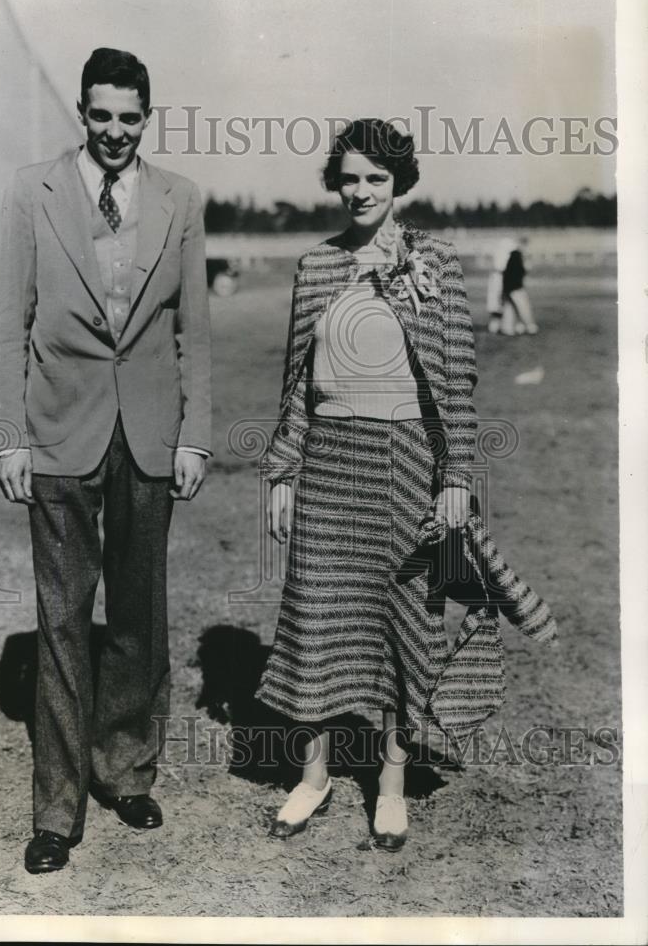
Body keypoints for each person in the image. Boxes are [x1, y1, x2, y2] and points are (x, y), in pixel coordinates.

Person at [0, 48, 211, 874]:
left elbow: (195, 329)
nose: (114, 132)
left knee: (138, 613)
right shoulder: (29, 190)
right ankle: (56, 811)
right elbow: (10, 323)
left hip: (149, 435)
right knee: (61, 619)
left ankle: (125, 769)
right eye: (100, 115)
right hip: (57, 434)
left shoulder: (180, 200)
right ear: (81, 114)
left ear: (145, 118)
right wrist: (9, 436)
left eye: (129, 118)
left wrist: (194, 434)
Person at [257, 118, 479, 851]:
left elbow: (456, 382)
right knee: (316, 621)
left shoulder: (435, 262)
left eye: (375, 179)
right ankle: (313, 776)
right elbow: (295, 383)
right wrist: (283, 471)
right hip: (326, 468)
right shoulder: (315, 266)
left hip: (405, 466)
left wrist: (457, 480)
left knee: (402, 624)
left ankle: (388, 786)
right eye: (349, 177)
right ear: (335, 181)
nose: (360, 191)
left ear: (399, 183)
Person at [491, 234, 538, 336]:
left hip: (508, 287)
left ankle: (509, 328)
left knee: (509, 308)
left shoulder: (513, 255)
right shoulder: (517, 255)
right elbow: (520, 272)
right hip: (515, 287)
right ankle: (530, 327)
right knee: (523, 307)